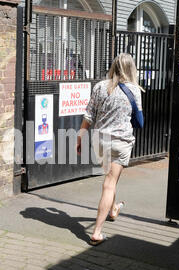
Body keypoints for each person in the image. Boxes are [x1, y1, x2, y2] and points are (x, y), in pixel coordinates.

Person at [76, 53, 144, 246]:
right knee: (109, 182)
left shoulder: (99, 86)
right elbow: (139, 120)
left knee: (110, 179)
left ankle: (113, 209)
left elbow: (89, 115)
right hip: (121, 142)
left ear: (114, 66)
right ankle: (97, 232)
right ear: (131, 69)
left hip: (100, 142)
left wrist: (80, 137)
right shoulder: (134, 90)